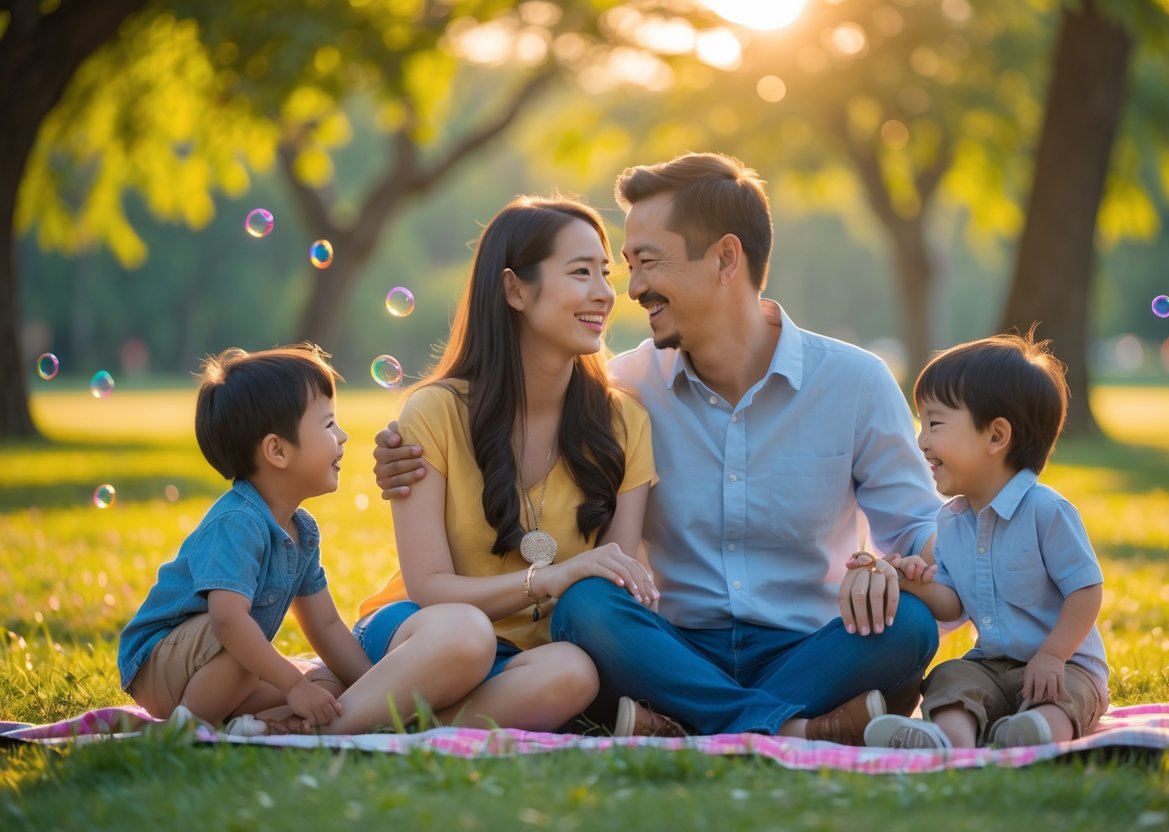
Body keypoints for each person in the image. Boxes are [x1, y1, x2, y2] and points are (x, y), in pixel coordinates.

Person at [374, 153, 943, 744]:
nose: (631, 288)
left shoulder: (855, 382)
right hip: (666, 650)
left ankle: (711, 723)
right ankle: (793, 727)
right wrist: (402, 455)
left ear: (726, 258)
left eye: (645, 262)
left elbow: (921, 527)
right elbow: (513, 417)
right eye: (624, 266)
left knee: (908, 623)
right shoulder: (620, 390)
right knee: (587, 605)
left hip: (808, 648)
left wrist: (885, 566)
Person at [352, 196, 660, 732]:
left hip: (529, 658)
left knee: (574, 673)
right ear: (515, 289)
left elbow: (617, 576)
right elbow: (429, 587)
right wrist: (553, 578)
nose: (605, 294)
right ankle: (321, 734)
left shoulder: (625, 422)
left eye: (605, 273)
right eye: (581, 272)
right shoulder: (437, 411)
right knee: (464, 635)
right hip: (425, 632)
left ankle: (392, 723)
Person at [118, 345, 498, 735]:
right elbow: (228, 621)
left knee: (326, 684)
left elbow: (328, 627)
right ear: (277, 451)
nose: (344, 436)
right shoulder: (238, 522)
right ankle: (187, 726)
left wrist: (377, 687)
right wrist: (292, 685)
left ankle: (261, 728)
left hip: (224, 663)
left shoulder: (301, 531)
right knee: (250, 650)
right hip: (161, 661)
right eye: (329, 424)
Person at [864, 332, 1109, 749]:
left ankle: (1033, 733)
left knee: (1064, 697)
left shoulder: (1046, 512)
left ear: (996, 436)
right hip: (992, 667)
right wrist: (912, 582)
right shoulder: (953, 520)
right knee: (951, 676)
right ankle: (949, 739)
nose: (921, 441)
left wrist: (1052, 655)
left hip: (1065, 664)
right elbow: (953, 603)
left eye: (935, 423)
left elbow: (1086, 591)